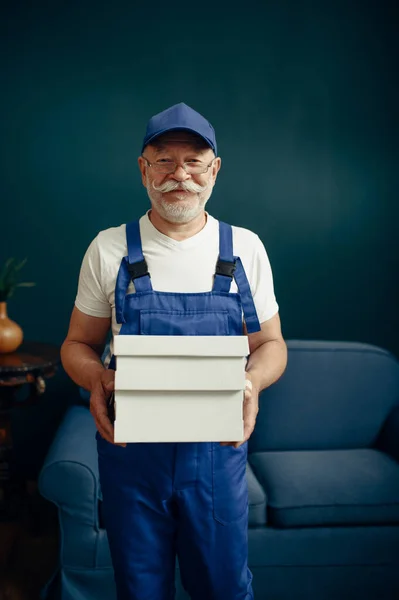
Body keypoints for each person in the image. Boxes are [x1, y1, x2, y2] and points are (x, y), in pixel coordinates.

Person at [61, 102, 288, 600]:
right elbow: (78, 344)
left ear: (214, 170)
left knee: (224, 587)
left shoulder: (244, 248)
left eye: (193, 162)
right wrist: (96, 379)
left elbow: (271, 346)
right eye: (164, 160)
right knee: (141, 588)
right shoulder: (108, 248)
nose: (179, 175)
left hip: (216, 454)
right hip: (131, 454)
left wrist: (251, 384)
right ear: (144, 169)